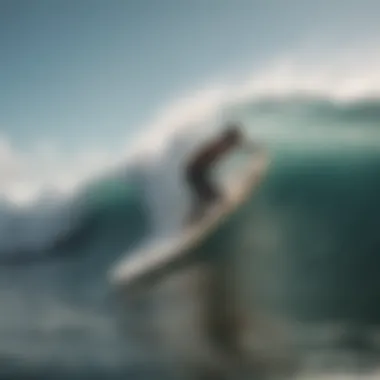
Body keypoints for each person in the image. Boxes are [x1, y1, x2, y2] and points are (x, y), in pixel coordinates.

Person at [184, 123, 256, 223]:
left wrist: (254, 150)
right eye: (237, 139)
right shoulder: (218, 146)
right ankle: (193, 220)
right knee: (211, 198)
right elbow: (198, 164)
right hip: (195, 172)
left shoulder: (225, 144)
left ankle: (193, 219)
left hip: (198, 172)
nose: (238, 142)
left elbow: (242, 146)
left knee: (209, 198)